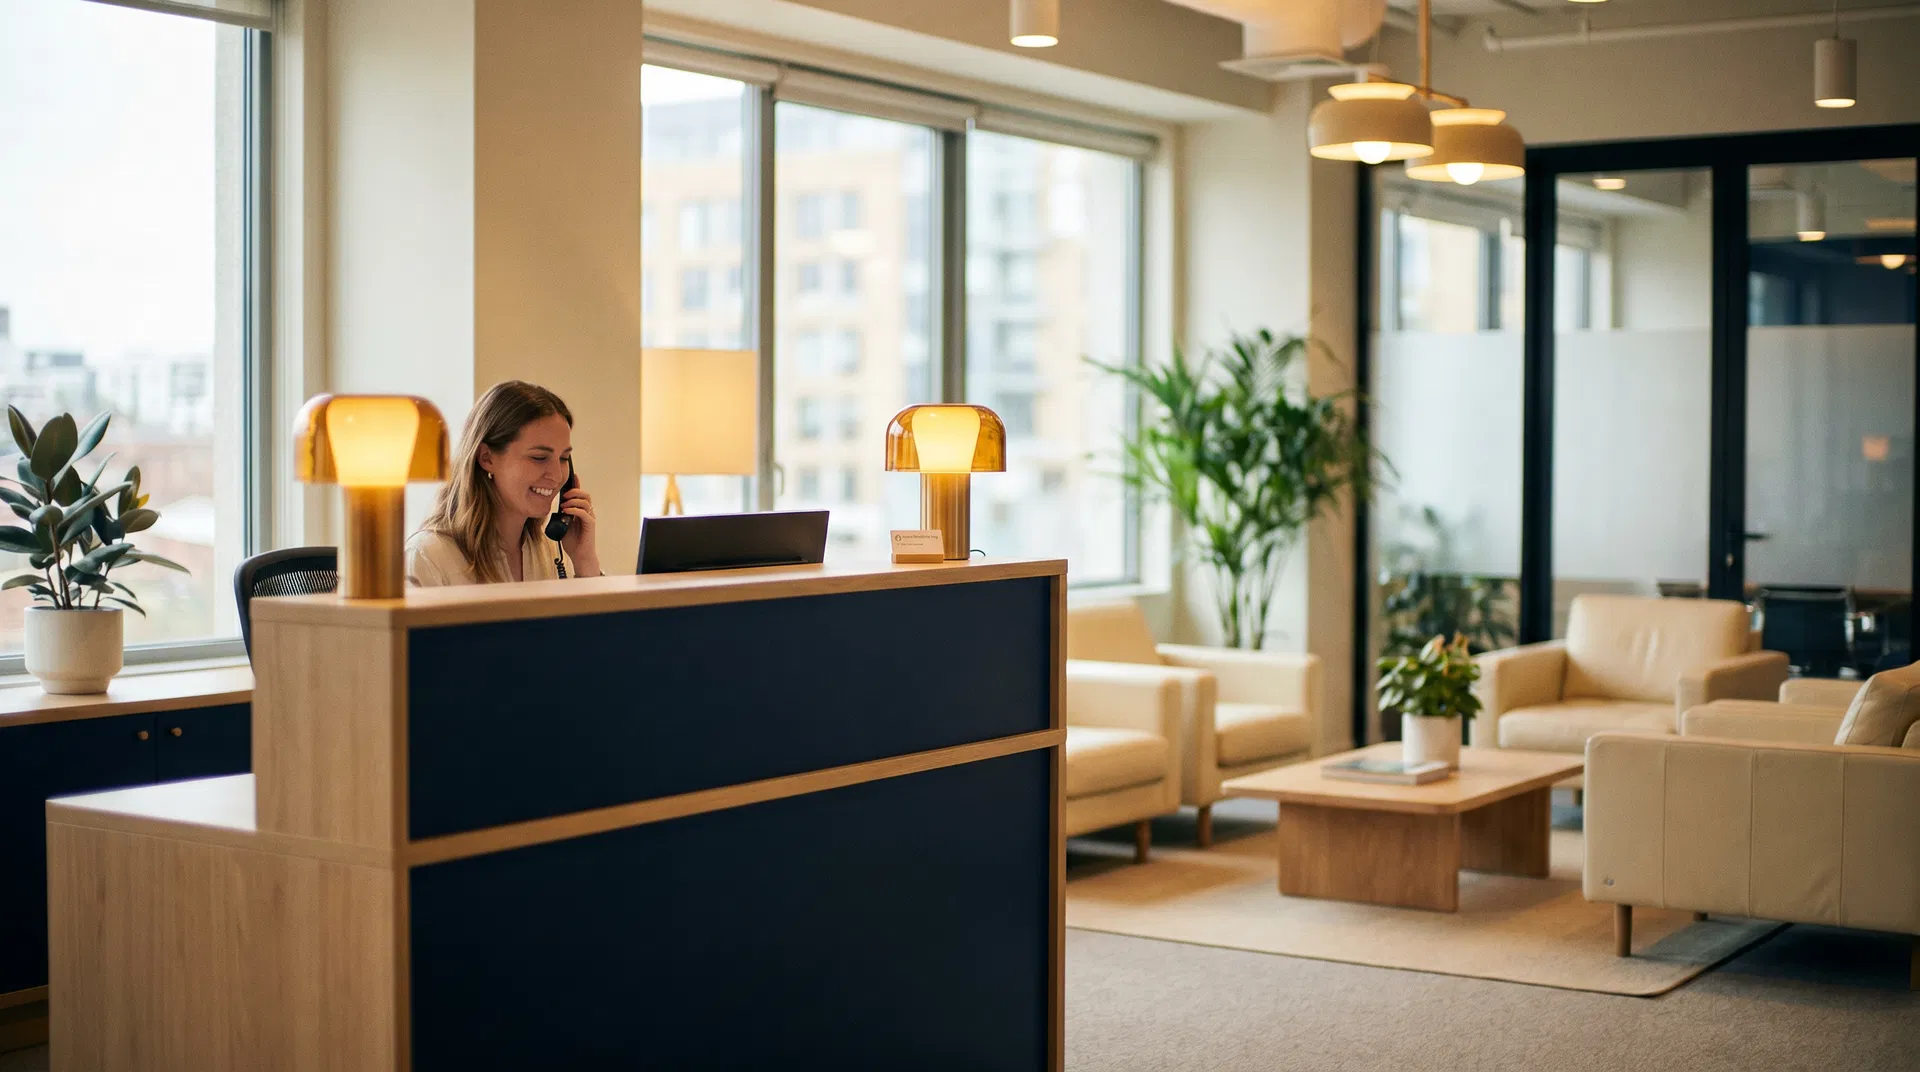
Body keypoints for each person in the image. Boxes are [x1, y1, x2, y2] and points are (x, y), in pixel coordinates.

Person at [406, 380, 602, 587]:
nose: (556, 475)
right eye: (539, 458)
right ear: (487, 458)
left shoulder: (550, 551)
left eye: (563, 458)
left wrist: (585, 561)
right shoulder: (429, 557)